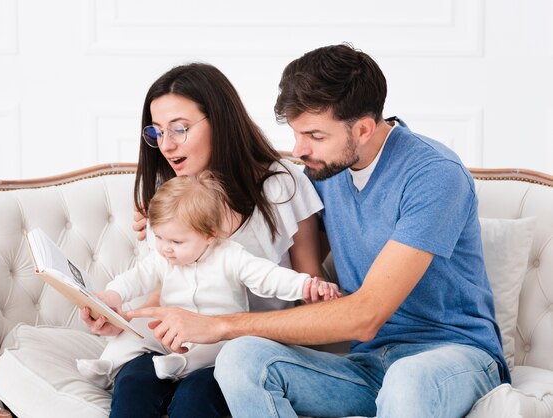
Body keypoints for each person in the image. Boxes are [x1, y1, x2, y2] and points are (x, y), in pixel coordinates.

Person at [128, 43, 508, 418]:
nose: (299, 150)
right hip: (368, 365)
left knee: (408, 379)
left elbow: (367, 315)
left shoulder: (433, 175)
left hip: (454, 356)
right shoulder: (327, 171)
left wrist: (219, 325)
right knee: (241, 358)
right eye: (295, 133)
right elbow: (263, 196)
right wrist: (175, 218)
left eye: (314, 135)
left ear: (362, 129)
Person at [81, 62, 327, 418]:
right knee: (134, 381)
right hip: (178, 344)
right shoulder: (166, 193)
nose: (167, 145)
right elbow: (162, 282)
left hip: (243, 349)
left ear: (220, 121)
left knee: (198, 396)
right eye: (157, 132)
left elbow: (310, 285)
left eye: (179, 129)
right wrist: (119, 316)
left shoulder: (282, 184)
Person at [77, 172, 340, 390]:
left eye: (176, 242)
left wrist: (306, 285)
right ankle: (108, 365)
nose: (165, 248)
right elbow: (134, 278)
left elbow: (269, 277)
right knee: (133, 331)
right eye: (160, 238)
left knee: (220, 348)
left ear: (209, 235)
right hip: (172, 330)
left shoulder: (231, 256)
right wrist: (113, 295)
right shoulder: (163, 258)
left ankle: (181, 365)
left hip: (215, 334)